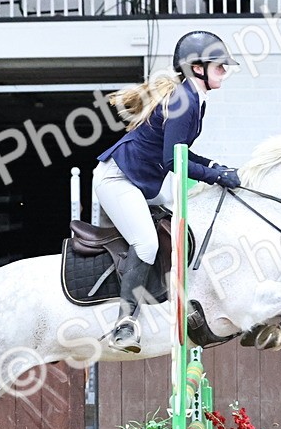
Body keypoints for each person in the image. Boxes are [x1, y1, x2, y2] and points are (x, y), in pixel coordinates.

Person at [94, 30, 242, 353]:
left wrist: (217, 166)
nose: (224, 72)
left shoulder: (195, 101)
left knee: (184, 224)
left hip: (144, 180)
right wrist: (214, 176)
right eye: (219, 66)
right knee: (146, 243)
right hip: (118, 180)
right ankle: (124, 324)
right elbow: (172, 159)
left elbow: (182, 154)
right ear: (196, 68)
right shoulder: (184, 101)